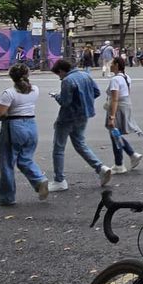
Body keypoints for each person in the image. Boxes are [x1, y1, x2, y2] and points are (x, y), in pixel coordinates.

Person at [49, 58, 112, 191]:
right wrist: (84, 100)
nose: (59, 77)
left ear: (61, 70)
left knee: (58, 148)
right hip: (83, 115)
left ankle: (59, 180)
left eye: (58, 74)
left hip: (67, 117)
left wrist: (56, 96)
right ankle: (100, 168)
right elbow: (96, 92)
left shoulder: (67, 80)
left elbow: (65, 102)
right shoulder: (85, 75)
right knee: (80, 144)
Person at [0, 63, 49, 206]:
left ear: (12, 77)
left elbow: (1, 113)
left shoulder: (9, 93)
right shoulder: (35, 89)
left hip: (14, 126)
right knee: (25, 159)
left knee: (7, 163)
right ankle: (39, 180)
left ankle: (7, 197)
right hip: (31, 125)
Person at [105, 56, 143, 175]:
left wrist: (111, 116)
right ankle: (131, 155)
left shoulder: (115, 80)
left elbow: (115, 99)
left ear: (117, 65)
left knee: (114, 134)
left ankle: (119, 164)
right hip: (126, 105)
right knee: (115, 134)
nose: (110, 65)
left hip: (117, 108)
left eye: (112, 63)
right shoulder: (127, 77)